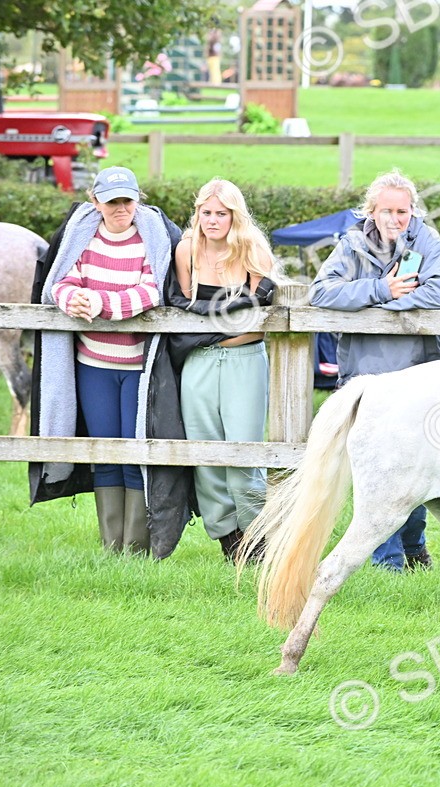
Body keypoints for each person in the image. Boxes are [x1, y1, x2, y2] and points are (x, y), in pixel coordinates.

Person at [29, 166, 193, 558]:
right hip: (93, 365)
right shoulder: (82, 239)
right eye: (112, 201)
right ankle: (111, 548)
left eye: (127, 201)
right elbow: (60, 281)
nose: (121, 209)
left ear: (138, 200)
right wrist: (73, 299)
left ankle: (135, 548)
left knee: (135, 454)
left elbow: (152, 291)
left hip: (137, 366)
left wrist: (100, 303)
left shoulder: (150, 241)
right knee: (104, 452)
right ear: (95, 202)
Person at [310, 170, 440, 572]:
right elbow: (321, 291)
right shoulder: (351, 244)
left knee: (416, 469)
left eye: (402, 212)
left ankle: (414, 545)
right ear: (371, 211)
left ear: (413, 212)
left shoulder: (427, 241)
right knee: (377, 471)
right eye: (387, 211)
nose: (395, 219)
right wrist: (381, 290)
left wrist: (377, 306)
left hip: (416, 374)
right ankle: (388, 562)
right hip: (365, 375)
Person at [169, 179, 279, 561]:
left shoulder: (253, 249)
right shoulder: (186, 250)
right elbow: (184, 311)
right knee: (206, 453)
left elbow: (259, 316)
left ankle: (258, 534)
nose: (213, 220)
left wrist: (224, 328)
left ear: (235, 215)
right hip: (198, 361)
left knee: (244, 452)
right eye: (206, 212)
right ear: (197, 213)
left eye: (221, 213)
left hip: (244, 361)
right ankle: (227, 538)